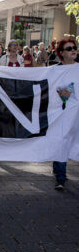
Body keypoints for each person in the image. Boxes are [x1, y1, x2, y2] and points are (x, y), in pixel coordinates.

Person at [51, 38, 78, 190]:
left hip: (77, 114)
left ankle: (57, 168)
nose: (73, 50)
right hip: (61, 113)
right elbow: (49, 89)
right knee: (61, 142)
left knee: (71, 142)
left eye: (74, 47)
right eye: (69, 49)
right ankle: (60, 177)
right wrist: (59, 93)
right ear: (61, 53)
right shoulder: (55, 70)